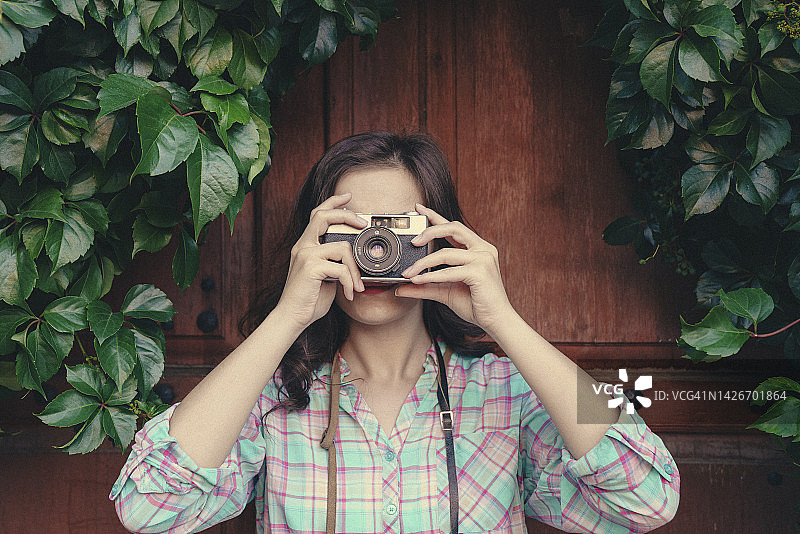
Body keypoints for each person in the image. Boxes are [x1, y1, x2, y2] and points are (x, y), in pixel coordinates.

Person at [110, 131, 680, 534]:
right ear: (313, 240)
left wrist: (503, 321)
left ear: (443, 237)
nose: (376, 252)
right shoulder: (270, 395)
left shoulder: (508, 388)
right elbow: (149, 507)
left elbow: (648, 499)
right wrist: (287, 316)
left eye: (399, 231)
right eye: (356, 231)